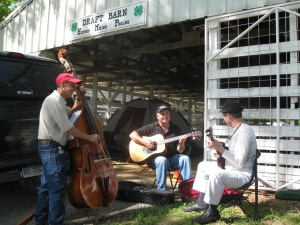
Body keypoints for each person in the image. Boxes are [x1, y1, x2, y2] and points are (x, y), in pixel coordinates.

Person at [35, 73, 100, 225]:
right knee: (57, 189)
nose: (73, 88)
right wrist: (89, 137)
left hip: (48, 148)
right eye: (72, 86)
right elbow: (69, 128)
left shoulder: (59, 102)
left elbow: (73, 112)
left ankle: (41, 219)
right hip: (52, 149)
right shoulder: (55, 102)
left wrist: (79, 96)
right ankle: (54, 222)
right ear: (63, 85)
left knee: (46, 187)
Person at [183, 99, 257, 224]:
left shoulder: (244, 132)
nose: (223, 118)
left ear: (229, 115)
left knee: (217, 175)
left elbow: (240, 162)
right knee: (203, 165)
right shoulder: (238, 129)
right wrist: (221, 152)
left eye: (224, 115)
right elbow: (234, 155)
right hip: (232, 169)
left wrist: (220, 148)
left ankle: (212, 213)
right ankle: (202, 203)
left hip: (242, 174)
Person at [129, 105, 195, 190]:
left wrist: (182, 143)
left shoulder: (176, 129)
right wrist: (145, 143)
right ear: (157, 116)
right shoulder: (151, 127)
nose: (165, 116)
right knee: (162, 160)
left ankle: (187, 189)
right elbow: (132, 134)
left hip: (172, 158)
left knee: (185, 158)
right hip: (155, 160)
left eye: (167, 113)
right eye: (162, 114)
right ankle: (161, 191)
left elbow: (180, 150)